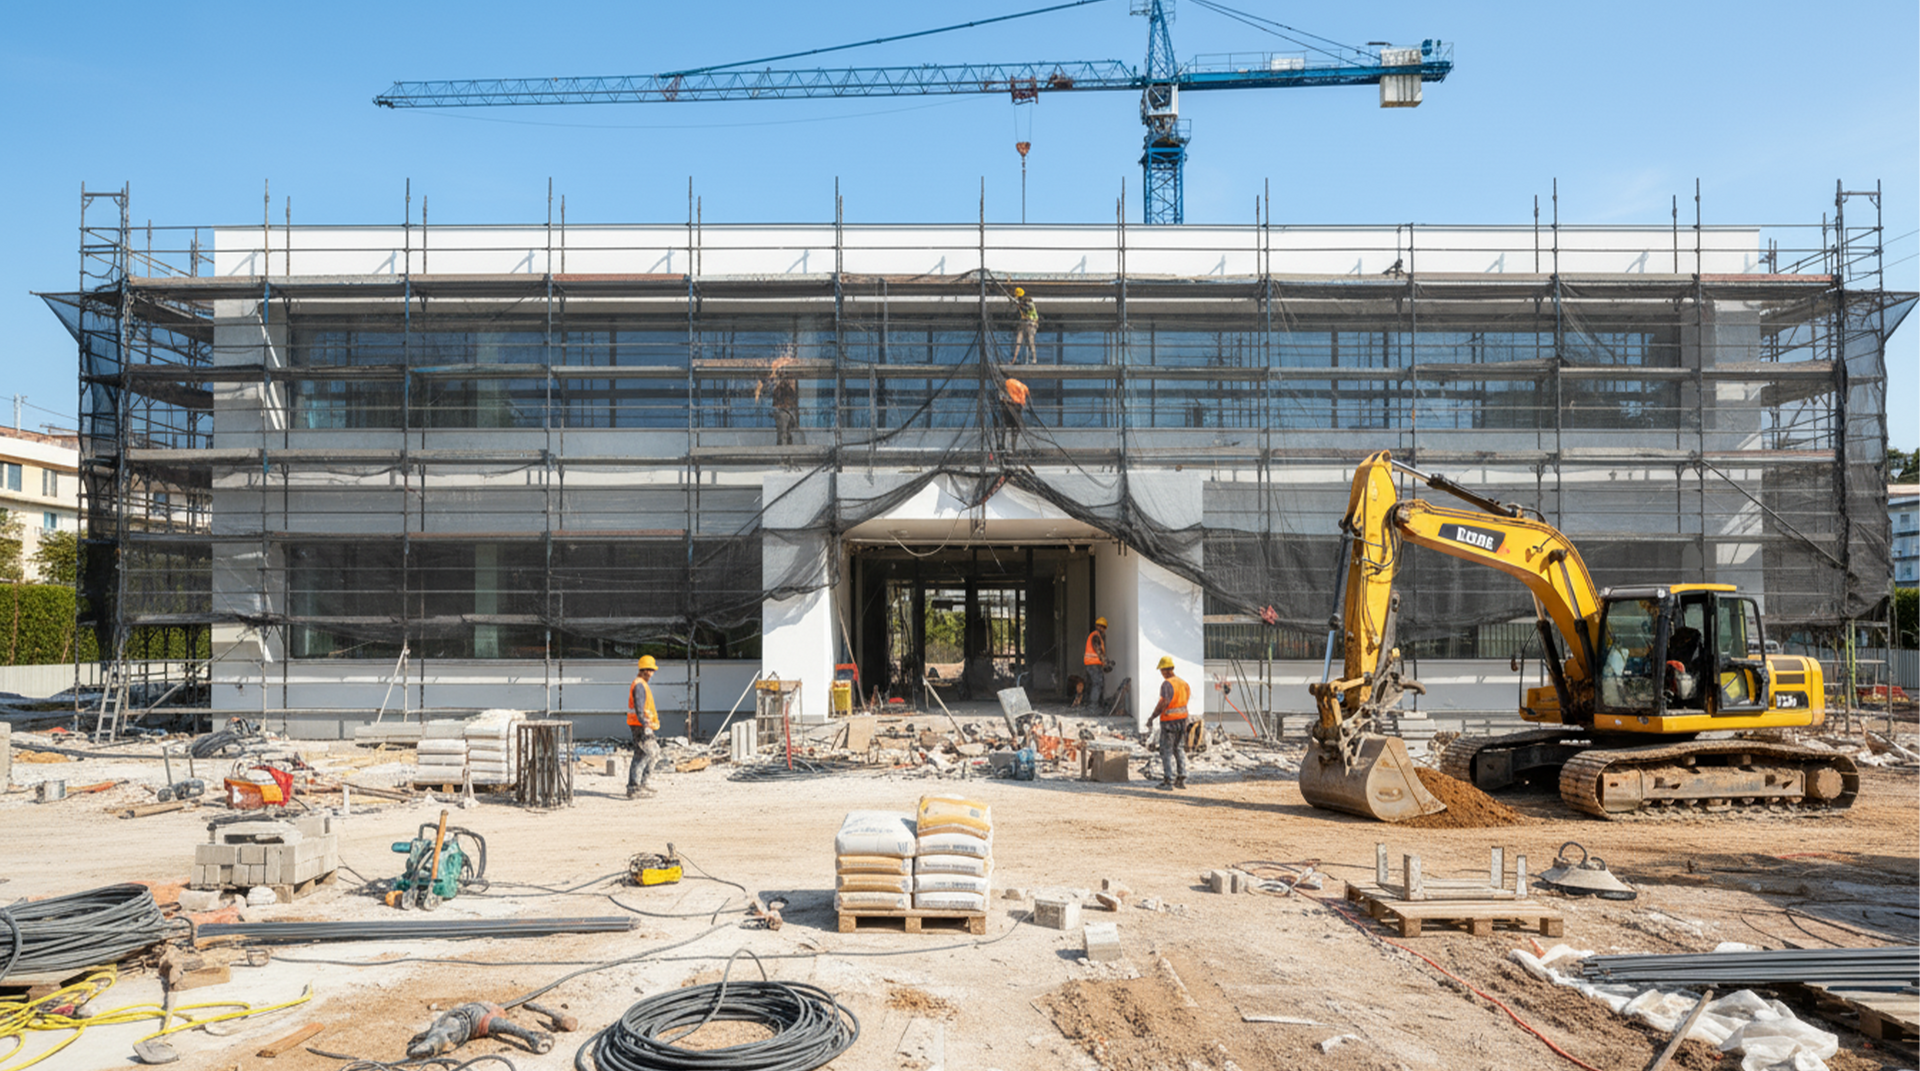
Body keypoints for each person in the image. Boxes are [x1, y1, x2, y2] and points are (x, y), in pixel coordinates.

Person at [1151, 655, 1190, 790]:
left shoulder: (1167, 684)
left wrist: (1152, 717)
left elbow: (1164, 702)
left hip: (1169, 722)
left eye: (1161, 671)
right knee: (1178, 748)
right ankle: (1181, 776)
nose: (1161, 674)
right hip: (1182, 721)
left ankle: (1168, 780)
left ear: (1166, 670)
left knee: (1166, 751)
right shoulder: (1184, 683)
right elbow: (1185, 702)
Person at [627, 654, 662, 799]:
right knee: (644, 754)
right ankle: (634, 788)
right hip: (640, 725)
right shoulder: (639, 685)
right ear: (646, 670)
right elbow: (639, 707)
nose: (653, 673)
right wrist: (645, 723)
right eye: (651, 670)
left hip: (641, 724)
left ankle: (643, 783)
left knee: (653, 752)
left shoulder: (641, 684)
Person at [1083, 616, 1110, 710]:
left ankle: (1091, 704)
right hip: (1093, 663)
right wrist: (1105, 661)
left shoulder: (1095, 635)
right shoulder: (1096, 636)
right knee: (1097, 683)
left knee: (1093, 683)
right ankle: (1093, 706)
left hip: (1091, 663)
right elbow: (1098, 649)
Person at [767, 369, 799, 446]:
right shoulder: (782, 388)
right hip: (784, 411)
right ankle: (784, 450)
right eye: (790, 379)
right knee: (783, 433)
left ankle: (785, 449)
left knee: (786, 433)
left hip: (786, 411)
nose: (792, 382)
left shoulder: (784, 389)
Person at [997, 376, 1029, 451]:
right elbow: (1003, 399)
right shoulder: (1006, 389)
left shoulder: (1017, 389)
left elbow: (1021, 403)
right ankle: (1005, 446)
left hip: (1013, 414)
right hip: (1008, 414)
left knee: (1014, 430)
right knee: (1007, 429)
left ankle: (1012, 447)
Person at [1010, 286, 1038, 363]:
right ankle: (1014, 359)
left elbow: (1027, 308)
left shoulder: (1028, 301)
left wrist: (1020, 305)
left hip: (1032, 322)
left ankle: (1034, 359)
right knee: (1019, 339)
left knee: (1030, 339)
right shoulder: (1020, 301)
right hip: (1024, 322)